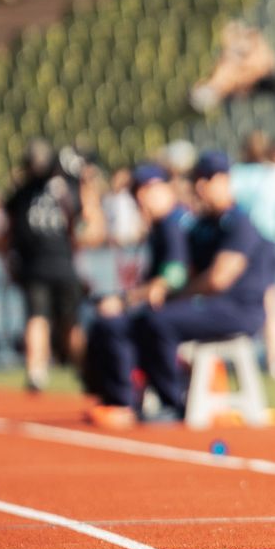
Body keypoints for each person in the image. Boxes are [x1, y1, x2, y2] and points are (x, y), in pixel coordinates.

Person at [130, 152, 275, 421]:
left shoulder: (239, 222)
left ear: (225, 180)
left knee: (160, 322)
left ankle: (173, 401)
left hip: (238, 310)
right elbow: (183, 268)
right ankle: (154, 394)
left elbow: (218, 279)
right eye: (198, 179)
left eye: (208, 179)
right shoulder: (201, 225)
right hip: (211, 306)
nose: (201, 186)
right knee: (144, 320)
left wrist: (176, 294)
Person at [85, 165, 193, 412]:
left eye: (147, 190)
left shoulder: (172, 224)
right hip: (172, 307)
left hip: (180, 308)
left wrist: (123, 301)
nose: (141, 198)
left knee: (112, 325)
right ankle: (122, 397)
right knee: (110, 322)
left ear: (167, 189)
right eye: (137, 192)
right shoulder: (162, 226)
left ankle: (126, 401)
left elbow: (173, 278)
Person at [4, 140, 86, 391]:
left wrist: (9, 260)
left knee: (39, 318)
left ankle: (36, 371)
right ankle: (86, 370)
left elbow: (7, 232)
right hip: (60, 264)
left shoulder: (21, 193)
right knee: (69, 322)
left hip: (36, 266)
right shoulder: (66, 189)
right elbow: (79, 227)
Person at [229, 132, 275, 380]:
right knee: (272, 302)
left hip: (239, 243)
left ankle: (246, 362)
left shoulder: (235, 175)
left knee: (241, 301)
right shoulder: (274, 177)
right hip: (268, 242)